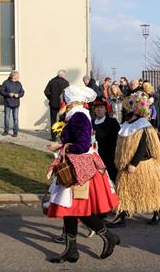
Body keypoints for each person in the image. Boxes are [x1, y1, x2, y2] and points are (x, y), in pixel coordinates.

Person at [46, 85, 119, 262]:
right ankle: (72, 250)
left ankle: (108, 236)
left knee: (78, 209)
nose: (65, 103)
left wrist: (60, 146)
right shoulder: (77, 115)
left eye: (66, 100)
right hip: (78, 166)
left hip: (80, 169)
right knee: (71, 210)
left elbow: (83, 144)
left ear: (72, 100)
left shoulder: (78, 116)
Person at [108, 92, 160, 227]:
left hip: (142, 165)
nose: (125, 110)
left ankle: (157, 212)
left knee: (150, 190)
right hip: (127, 164)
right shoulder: (127, 123)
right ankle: (122, 216)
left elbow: (143, 146)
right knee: (124, 190)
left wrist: (134, 163)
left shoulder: (142, 124)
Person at [92, 97, 120, 183]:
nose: (99, 109)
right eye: (97, 108)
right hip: (95, 155)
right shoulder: (91, 123)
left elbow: (118, 139)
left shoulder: (112, 122)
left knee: (111, 177)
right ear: (94, 110)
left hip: (110, 156)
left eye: (101, 107)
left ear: (105, 109)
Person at [44, 69, 70, 141]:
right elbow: (68, 94)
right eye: (64, 75)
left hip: (53, 104)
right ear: (62, 75)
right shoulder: (66, 83)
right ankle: (61, 135)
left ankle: (53, 137)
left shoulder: (52, 81)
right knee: (62, 120)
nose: (65, 76)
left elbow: (46, 91)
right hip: (62, 104)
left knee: (53, 120)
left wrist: (51, 98)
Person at [0, 71, 24, 137]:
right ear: (13, 76)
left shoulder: (19, 83)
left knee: (15, 118)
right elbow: (1, 91)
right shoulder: (6, 82)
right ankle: (6, 131)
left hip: (16, 104)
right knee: (7, 117)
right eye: (17, 76)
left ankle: (15, 131)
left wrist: (18, 95)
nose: (19, 77)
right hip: (7, 103)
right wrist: (8, 94)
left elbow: (22, 92)